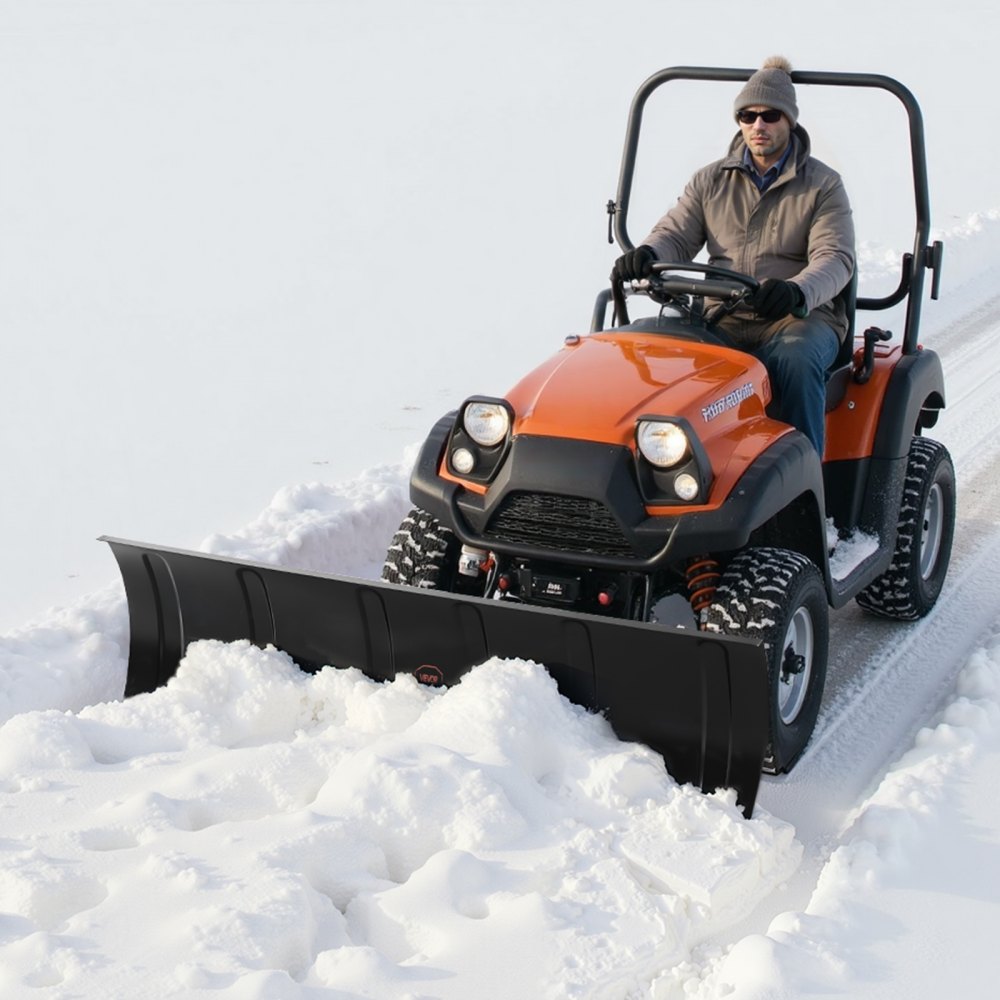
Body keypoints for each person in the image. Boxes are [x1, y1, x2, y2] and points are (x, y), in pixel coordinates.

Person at [613, 56, 855, 457]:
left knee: (793, 362)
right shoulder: (711, 180)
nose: (758, 125)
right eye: (748, 115)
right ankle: (658, 468)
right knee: (649, 352)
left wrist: (796, 292)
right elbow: (676, 233)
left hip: (796, 319)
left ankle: (803, 488)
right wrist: (648, 253)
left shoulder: (823, 186)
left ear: (789, 120)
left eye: (770, 115)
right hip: (720, 317)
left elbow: (835, 257)